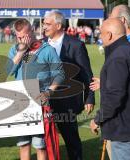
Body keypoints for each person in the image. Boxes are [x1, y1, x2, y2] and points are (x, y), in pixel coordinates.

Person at [90, 18, 130, 160]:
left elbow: (114, 97)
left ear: (109, 35)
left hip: (125, 128)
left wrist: (98, 119)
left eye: (101, 34)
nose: (100, 37)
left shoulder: (119, 56)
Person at [8, 18, 64, 160]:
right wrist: (21, 52)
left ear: (32, 30)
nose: (22, 39)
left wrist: (49, 91)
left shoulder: (47, 50)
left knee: (40, 145)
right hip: (21, 103)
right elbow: (7, 71)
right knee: (23, 144)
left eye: (25, 35)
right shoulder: (14, 49)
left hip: (40, 103)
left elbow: (60, 74)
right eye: (19, 36)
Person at [43, 10, 95, 160]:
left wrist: (90, 98)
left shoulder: (76, 45)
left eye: (47, 24)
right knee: (44, 141)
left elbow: (87, 74)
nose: (44, 27)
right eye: (44, 24)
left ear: (58, 25)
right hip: (43, 101)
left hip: (67, 101)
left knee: (71, 140)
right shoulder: (39, 44)